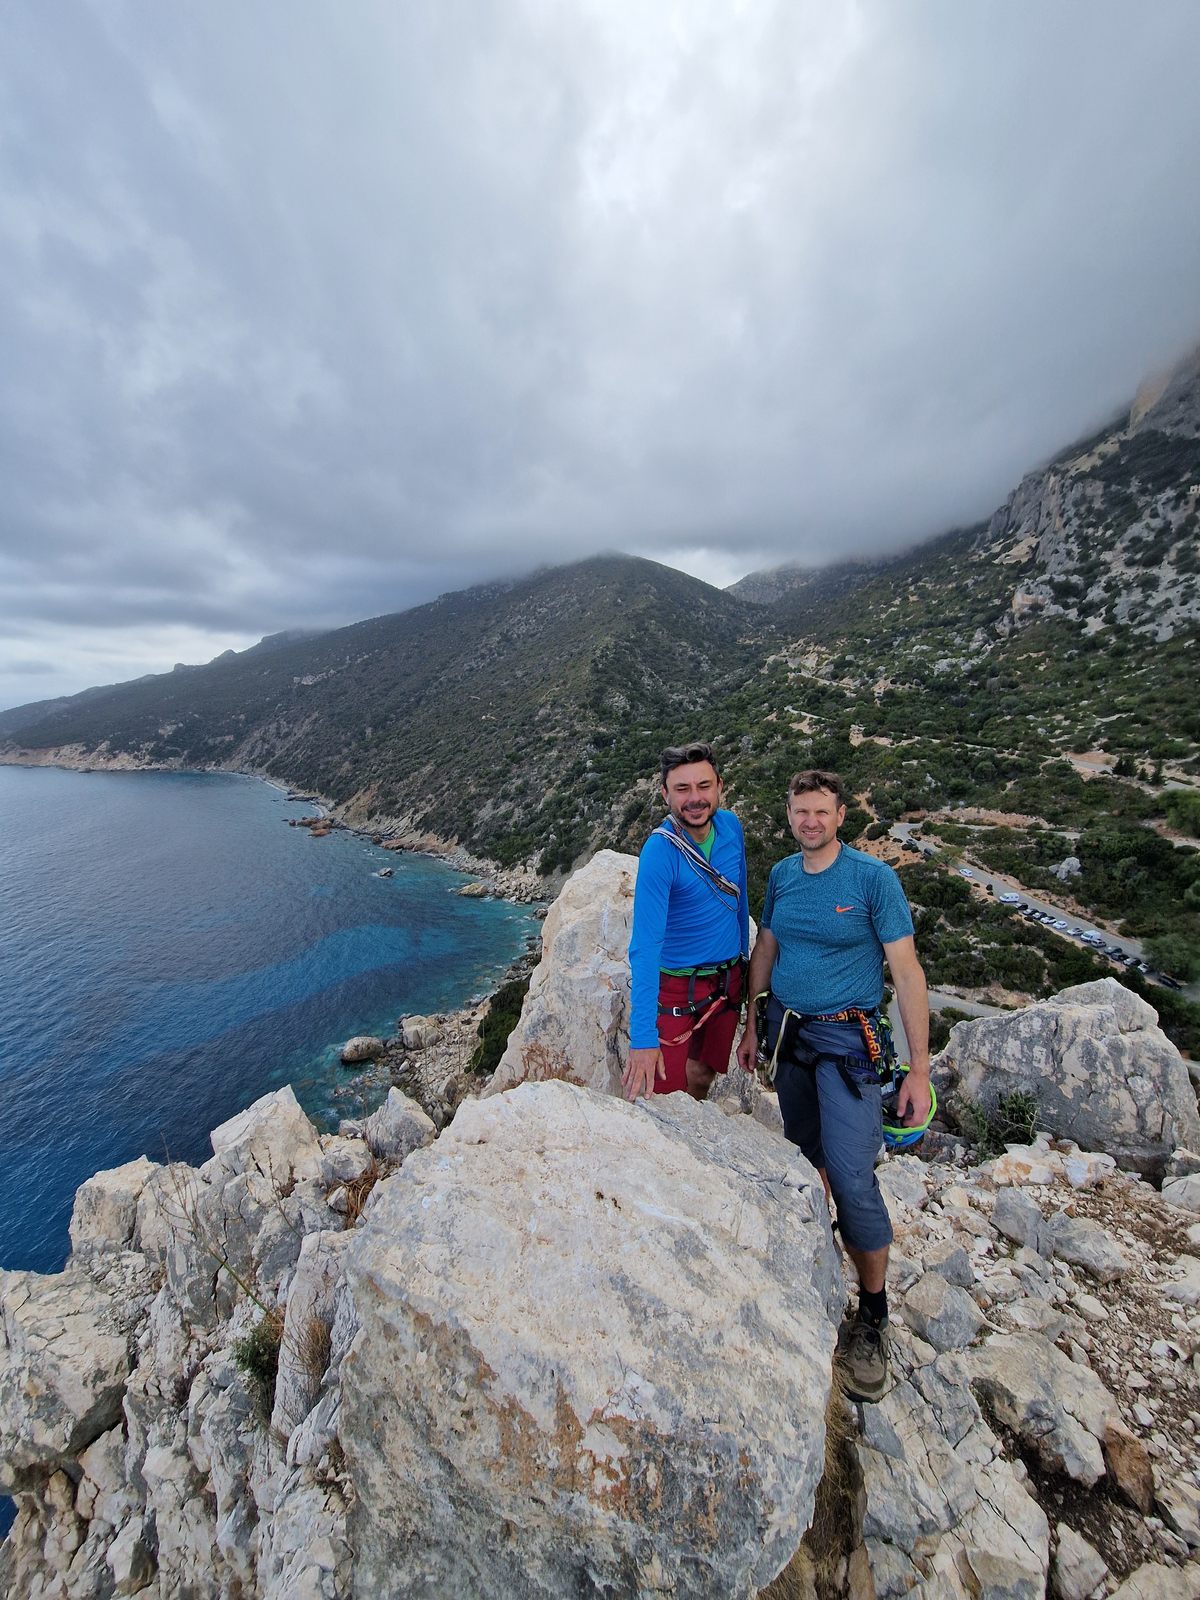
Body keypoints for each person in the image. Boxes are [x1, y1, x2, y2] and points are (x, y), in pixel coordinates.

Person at [735, 769, 930, 1401]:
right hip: (791, 1039)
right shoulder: (784, 878)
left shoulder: (874, 880)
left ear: (841, 815)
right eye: (800, 812)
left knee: (851, 1176)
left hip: (850, 1044)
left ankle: (872, 1317)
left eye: (821, 811)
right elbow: (765, 951)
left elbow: (906, 974)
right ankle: (818, 1267)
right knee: (806, 1161)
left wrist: (919, 1071)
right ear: (788, 815)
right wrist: (749, 1022)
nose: (810, 821)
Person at [622, 742, 749, 1102]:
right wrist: (643, 1038)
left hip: (726, 981)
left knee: (703, 1072)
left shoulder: (730, 827)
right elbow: (646, 947)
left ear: (720, 786)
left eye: (704, 786)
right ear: (665, 794)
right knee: (664, 1092)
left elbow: (739, 900)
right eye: (682, 789)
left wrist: (743, 963)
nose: (695, 798)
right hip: (677, 989)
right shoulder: (660, 853)